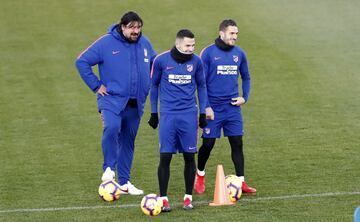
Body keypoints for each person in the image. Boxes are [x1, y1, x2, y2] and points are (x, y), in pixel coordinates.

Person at [75, 11, 156, 195]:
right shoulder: (106, 42)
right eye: (131, 27)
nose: (136, 31)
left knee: (128, 141)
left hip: (136, 102)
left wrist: (149, 84)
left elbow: (154, 64)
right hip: (111, 100)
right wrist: (96, 86)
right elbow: (82, 61)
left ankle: (125, 183)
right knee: (111, 128)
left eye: (138, 27)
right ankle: (109, 168)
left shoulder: (145, 43)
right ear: (122, 27)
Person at [148, 29, 208, 211]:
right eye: (188, 45)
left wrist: (203, 113)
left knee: (190, 156)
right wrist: (153, 113)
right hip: (168, 116)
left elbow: (202, 86)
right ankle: (164, 199)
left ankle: (188, 198)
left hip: (189, 116)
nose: (191, 48)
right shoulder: (161, 60)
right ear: (178, 44)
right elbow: (154, 85)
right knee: (165, 156)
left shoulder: (197, 61)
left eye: (193, 45)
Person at [194, 19, 256, 194]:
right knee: (208, 144)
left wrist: (245, 97)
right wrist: (205, 107)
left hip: (232, 108)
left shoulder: (240, 54)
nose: (234, 37)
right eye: (231, 33)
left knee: (237, 143)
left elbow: (247, 77)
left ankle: (241, 182)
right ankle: (200, 175)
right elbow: (200, 82)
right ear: (221, 33)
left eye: (236, 34)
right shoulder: (207, 53)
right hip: (212, 108)